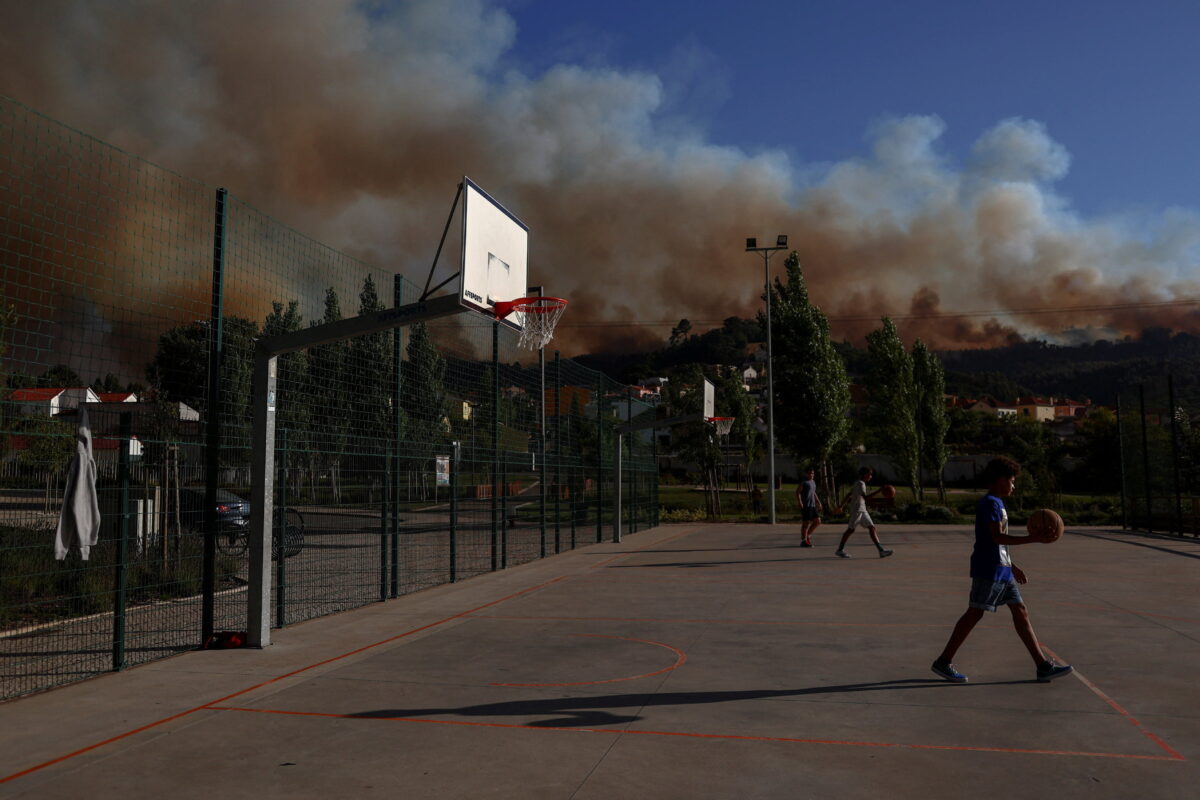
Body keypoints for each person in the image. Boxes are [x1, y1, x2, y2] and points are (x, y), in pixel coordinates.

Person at [930, 456, 1072, 684]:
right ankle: (944, 661)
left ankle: (1043, 666)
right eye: (1012, 481)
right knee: (975, 613)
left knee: (1020, 611)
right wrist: (1032, 539)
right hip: (989, 569)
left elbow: (999, 542)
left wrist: (1012, 566)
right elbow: (996, 537)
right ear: (1000, 480)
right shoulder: (990, 504)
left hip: (1002, 570)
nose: (1013, 486)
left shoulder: (997, 503)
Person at [834, 467, 893, 558]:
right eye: (870, 474)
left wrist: (841, 506)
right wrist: (879, 490)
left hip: (862, 510)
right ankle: (840, 550)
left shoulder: (858, 483)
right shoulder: (861, 484)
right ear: (865, 474)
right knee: (850, 530)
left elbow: (849, 494)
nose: (871, 476)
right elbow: (866, 498)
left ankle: (881, 551)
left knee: (872, 528)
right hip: (857, 511)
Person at [795, 467, 823, 547]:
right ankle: (804, 541)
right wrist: (800, 502)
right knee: (806, 523)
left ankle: (808, 535)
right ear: (807, 474)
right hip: (806, 505)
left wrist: (818, 502)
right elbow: (798, 492)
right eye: (810, 473)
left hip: (813, 505)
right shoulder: (804, 483)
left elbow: (814, 493)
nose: (812, 475)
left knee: (818, 521)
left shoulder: (813, 482)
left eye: (813, 473)